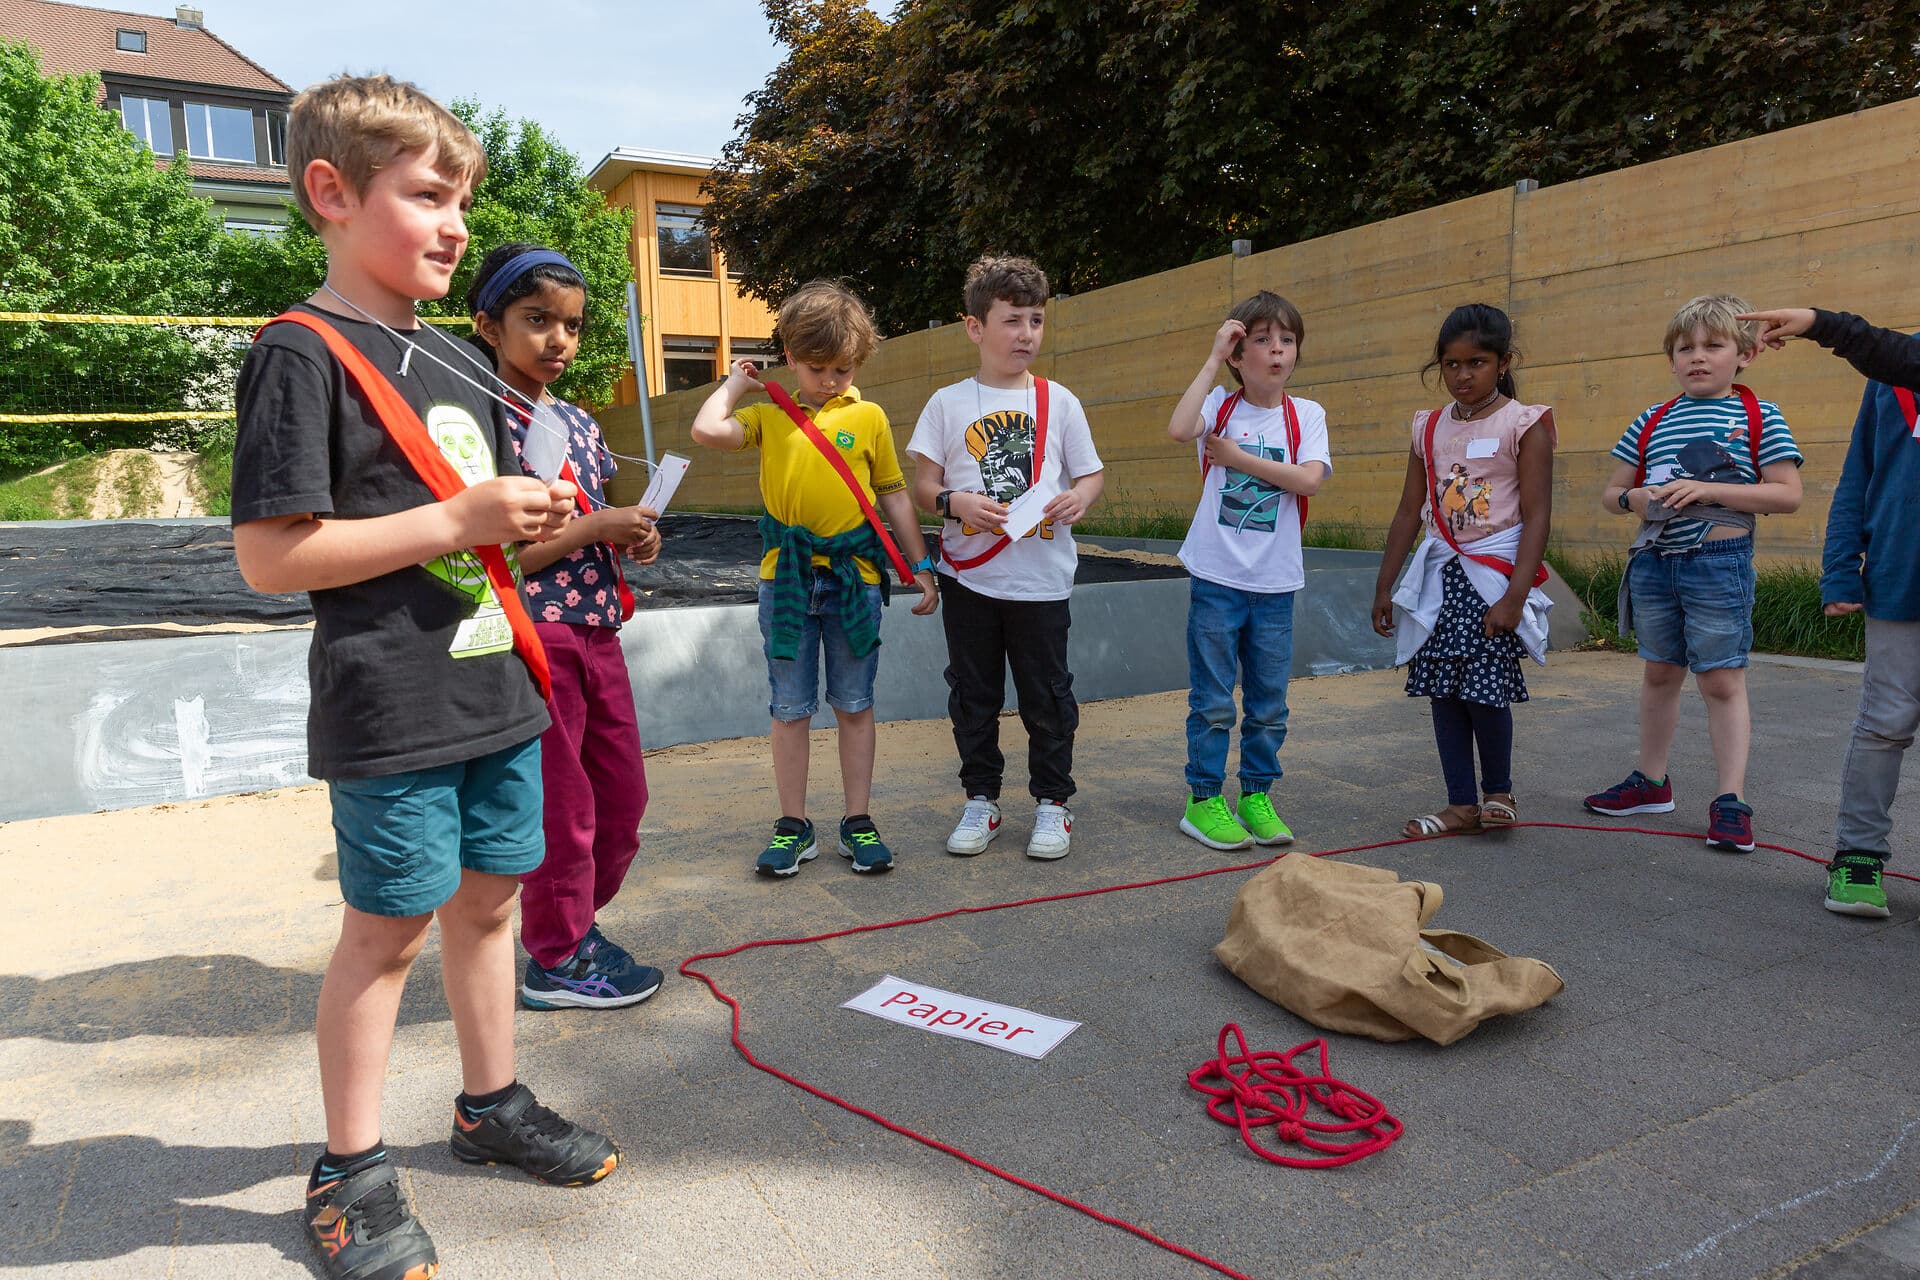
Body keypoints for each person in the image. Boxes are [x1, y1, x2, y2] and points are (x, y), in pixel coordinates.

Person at [230, 76, 619, 1280]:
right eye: (427, 197)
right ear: (333, 193)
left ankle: (489, 1103)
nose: (455, 227)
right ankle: (348, 1167)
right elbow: (270, 556)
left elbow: (475, 532)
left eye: (461, 202)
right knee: (389, 930)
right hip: (391, 702)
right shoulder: (301, 352)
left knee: (494, 901)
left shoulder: (455, 355)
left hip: (495, 684)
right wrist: (459, 518)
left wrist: (530, 518)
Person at [464, 242, 666, 1007]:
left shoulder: (578, 421)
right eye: (537, 319)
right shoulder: (480, 419)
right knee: (565, 805)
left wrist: (633, 536)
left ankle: (574, 926)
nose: (558, 339)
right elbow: (509, 556)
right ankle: (556, 957)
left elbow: (593, 522)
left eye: (573, 326)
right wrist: (594, 528)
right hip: (535, 633)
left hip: (599, 629)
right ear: (489, 325)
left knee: (622, 801)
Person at [689, 281, 939, 877]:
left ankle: (858, 820)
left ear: (859, 362)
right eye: (816, 368)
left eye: (842, 369)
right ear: (791, 358)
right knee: (790, 707)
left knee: (855, 703)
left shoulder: (869, 417)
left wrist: (921, 566)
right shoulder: (768, 416)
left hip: (854, 579)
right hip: (787, 582)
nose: (830, 381)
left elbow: (893, 495)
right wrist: (735, 383)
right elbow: (705, 431)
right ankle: (793, 825)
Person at [1584, 294, 1803, 853]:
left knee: (1721, 680)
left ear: (1746, 355)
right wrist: (1632, 498)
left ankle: (1731, 799)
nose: (1698, 357)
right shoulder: (1651, 419)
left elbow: (1787, 494)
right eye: (1685, 348)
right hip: (1655, 561)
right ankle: (1651, 782)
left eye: (1714, 346)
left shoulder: (1758, 415)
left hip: (1718, 563)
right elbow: (1612, 492)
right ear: (1671, 360)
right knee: (1660, 673)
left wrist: (1708, 490)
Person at [909, 254, 1106, 860]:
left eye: (1036, 321)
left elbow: (1091, 475)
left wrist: (1079, 498)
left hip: (1042, 582)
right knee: (974, 695)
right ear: (975, 327)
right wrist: (954, 502)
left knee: (1048, 695)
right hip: (969, 581)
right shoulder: (946, 403)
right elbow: (921, 486)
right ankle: (981, 800)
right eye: (1012, 320)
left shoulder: (1060, 401)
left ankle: (1053, 804)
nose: (1026, 334)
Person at [1735, 305, 1920, 915]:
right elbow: (1859, 476)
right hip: (1902, 580)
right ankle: (1858, 856)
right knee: (1885, 723)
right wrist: (1841, 567)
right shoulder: (1892, 371)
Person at [1372, 304, 1555, 839]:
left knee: (1485, 687)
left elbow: (1538, 516)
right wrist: (1385, 586)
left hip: (1494, 579)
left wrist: (1514, 597)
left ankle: (1498, 794)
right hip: (1441, 578)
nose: (1462, 375)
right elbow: (1409, 511)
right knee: (1443, 692)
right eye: (1451, 364)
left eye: (1477, 362)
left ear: (1504, 362)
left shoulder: (1524, 423)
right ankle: (1459, 805)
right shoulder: (1428, 427)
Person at [1165, 291, 1330, 850]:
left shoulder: (1306, 415)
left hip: (1275, 583)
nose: (1277, 350)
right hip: (1216, 579)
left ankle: (1256, 795)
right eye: (1261, 340)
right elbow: (1179, 428)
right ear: (1239, 355)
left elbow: (1309, 480)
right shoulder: (1219, 405)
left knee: (1268, 705)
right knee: (1213, 702)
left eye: (1287, 340)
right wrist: (1213, 356)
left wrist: (1237, 459)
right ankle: (1203, 800)